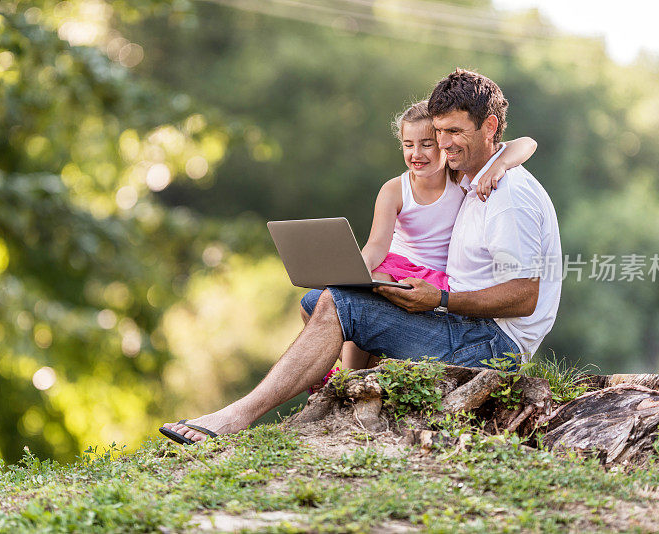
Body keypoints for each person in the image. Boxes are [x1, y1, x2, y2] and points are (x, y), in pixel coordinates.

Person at [161, 68, 562, 444]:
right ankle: (353, 399)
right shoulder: (475, 178)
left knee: (340, 305)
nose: (443, 143)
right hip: (464, 322)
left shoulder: (508, 196)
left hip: (492, 345)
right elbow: (515, 148)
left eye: (454, 131)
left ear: (489, 126)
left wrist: (438, 299)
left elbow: (524, 296)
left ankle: (235, 418)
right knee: (317, 299)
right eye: (438, 131)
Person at [301, 100, 537, 372]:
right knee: (349, 293)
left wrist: (501, 165)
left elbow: (527, 143)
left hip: (435, 279)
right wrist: (358, 273)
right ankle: (350, 376)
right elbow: (377, 245)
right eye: (408, 144)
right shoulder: (394, 190)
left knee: (368, 304)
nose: (417, 154)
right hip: (398, 266)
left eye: (427, 144)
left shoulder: (460, 178)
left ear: (443, 144)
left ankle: (360, 375)